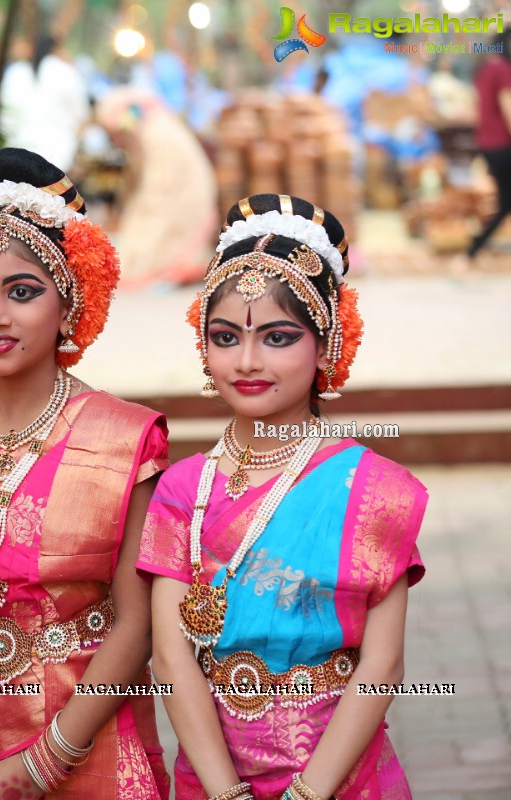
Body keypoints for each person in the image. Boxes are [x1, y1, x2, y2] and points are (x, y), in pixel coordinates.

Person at [0, 148, 171, 799]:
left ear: (70, 300)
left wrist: (44, 763)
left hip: (95, 741)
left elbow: (136, 622)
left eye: (22, 292)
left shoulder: (126, 440)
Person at [138, 194, 427, 800]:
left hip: (342, 781)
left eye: (277, 337)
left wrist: (307, 794)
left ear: (325, 347)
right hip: (210, 779)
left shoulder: (375, 490)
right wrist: (224, 793)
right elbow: (170, 657)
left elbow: (381, 669)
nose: (246, 361)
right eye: (225, 337)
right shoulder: (181, 488)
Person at [94, 88, 218, 288]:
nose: (115, 140)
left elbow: (159, 185)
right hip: (181, 190)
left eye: (113, 134)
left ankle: (165, 270)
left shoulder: (156, 135)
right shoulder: (156, 126)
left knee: (151, 230)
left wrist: (140, 208)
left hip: (184, 195)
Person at [0, 37, 89, 173]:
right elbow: (82, 115)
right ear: (57, 50)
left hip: (12, 153)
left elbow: (4, 115)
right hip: (56, 157)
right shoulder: (66, 72)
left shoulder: (16, 71)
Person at [467, 30, 511, 261]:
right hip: (503, 144)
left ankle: (474, 248)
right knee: (505, 202)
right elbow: (508, 108)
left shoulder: (484, 69)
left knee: (506, 203)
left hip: (488, 143)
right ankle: (473, 249)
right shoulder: (503, 69)